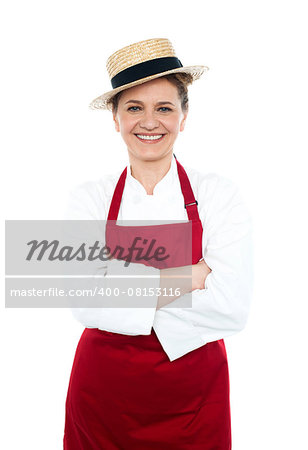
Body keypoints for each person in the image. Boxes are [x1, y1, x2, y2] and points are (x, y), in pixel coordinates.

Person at [63, 38, 253, 449]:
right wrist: (193, 276)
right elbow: (83, 300)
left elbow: (233, 308)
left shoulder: (218, 195)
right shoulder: (88, 198)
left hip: (195, 399)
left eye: (164, 108)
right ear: (115, 118)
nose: (150, 122)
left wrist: (117, 290)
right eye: (134, 108)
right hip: (103, 397)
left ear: (184, 117)